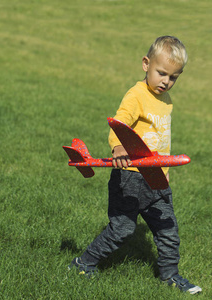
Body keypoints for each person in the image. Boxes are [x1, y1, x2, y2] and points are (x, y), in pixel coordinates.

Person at [69, 36, 202, 295]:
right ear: (146, 64)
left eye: (173, 77)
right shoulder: (136, 94)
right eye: (161, 73)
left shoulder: (166, 99)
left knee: (168, 231)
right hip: (129, 179)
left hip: (157, 180)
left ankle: (169, 276)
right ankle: (83, 264)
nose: (166, 81)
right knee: (123, 229)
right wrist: (118, 148)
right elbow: (120, 123)